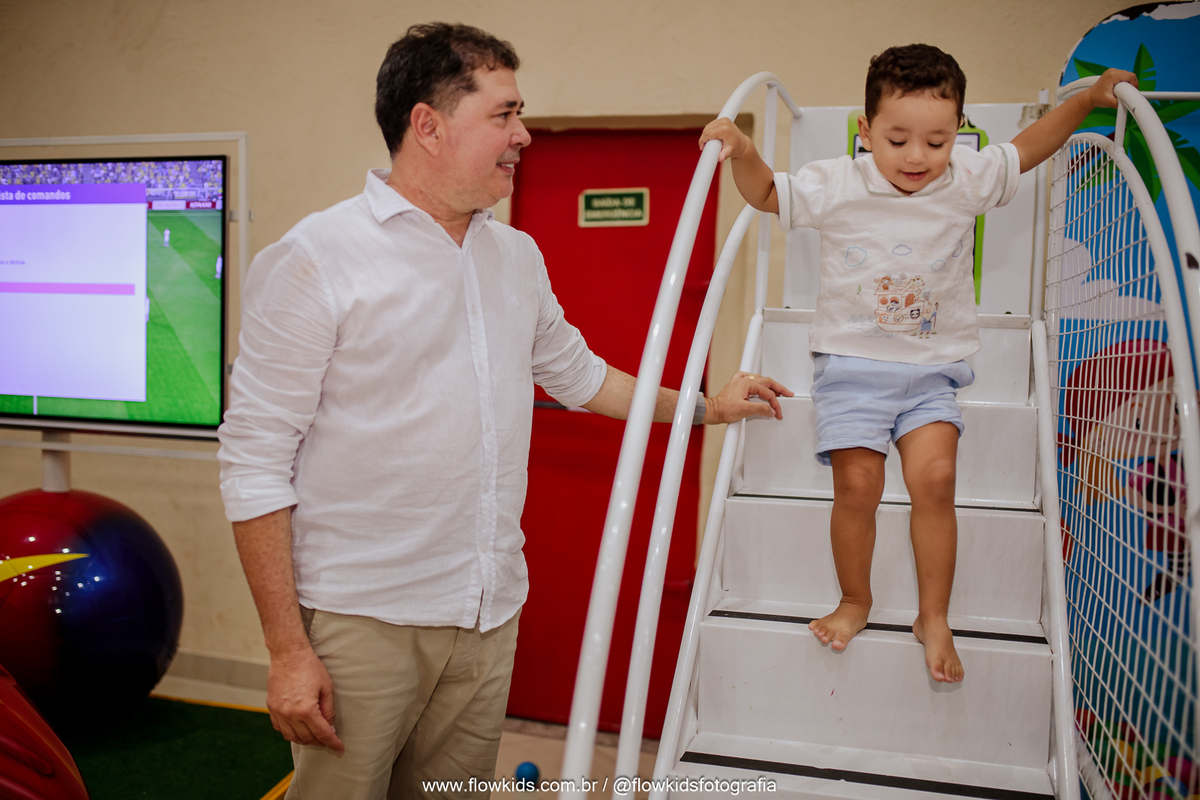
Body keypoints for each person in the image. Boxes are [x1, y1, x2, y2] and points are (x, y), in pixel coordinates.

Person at [218, 22, 791, 799]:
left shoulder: (514, 256)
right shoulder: (315, 258)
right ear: (428, 125)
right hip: (363, 617)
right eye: (504, 114)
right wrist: (288, 650)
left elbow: (581, 378)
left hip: (488, 614)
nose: (523, 134)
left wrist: (706, 408)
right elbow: (253, 463)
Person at [700, 44, 1136, 684]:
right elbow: (766, 191)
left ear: (958, 131)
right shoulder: (839, 183)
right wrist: (743, 149)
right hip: (852, 369)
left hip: (932, 372)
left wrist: (1088, 100)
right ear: (865, 129)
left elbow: (1029, 147)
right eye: (898, 139)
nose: (916, 157)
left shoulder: (966, 177)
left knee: (936, 481)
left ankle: (934, 615)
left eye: (936, 141)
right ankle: (856, 600)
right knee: (858, 488)